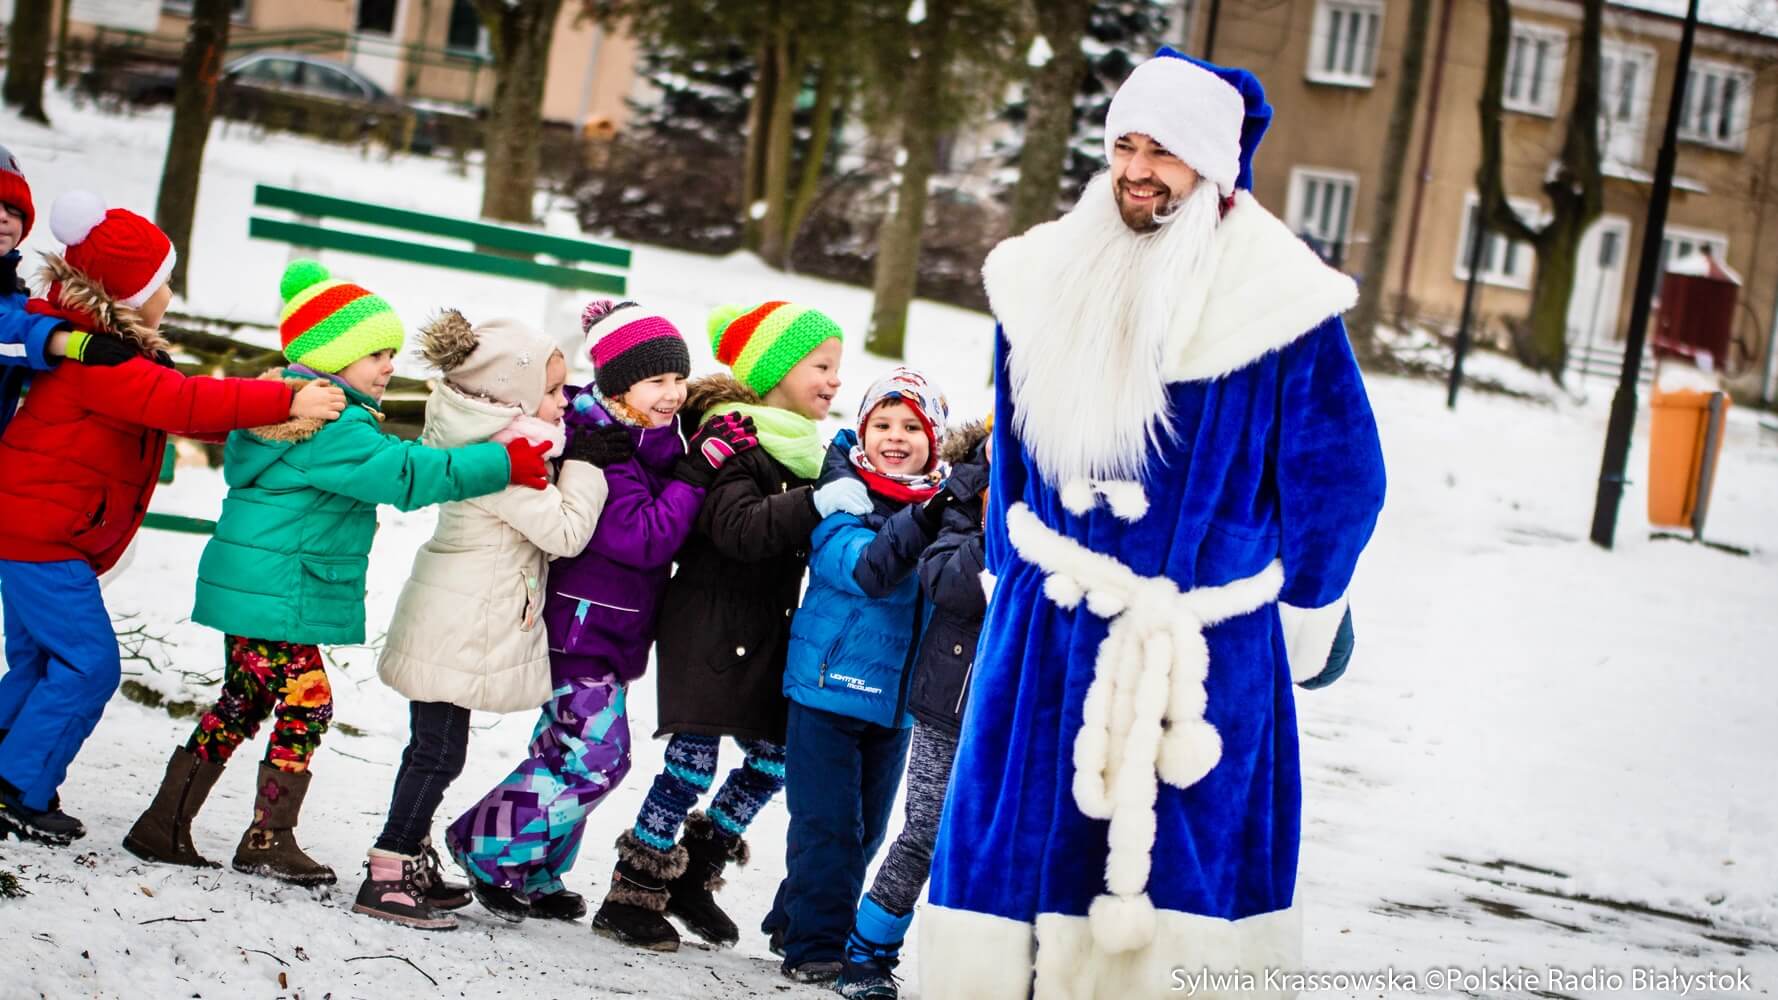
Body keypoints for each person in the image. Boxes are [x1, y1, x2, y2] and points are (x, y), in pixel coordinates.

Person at [921, 49, 1387, 999]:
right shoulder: (1044, 276)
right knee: (1008, 880)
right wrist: (1009, 573)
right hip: (1044, 641)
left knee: (1183, 901)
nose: (1136, 169)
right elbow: (1009, 452)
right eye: (1124, 145)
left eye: (1164, 152)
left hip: (1199, 666)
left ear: (1213, 169)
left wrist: (1306, 610)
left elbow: (1342, 480)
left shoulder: (1282, 306)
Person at [124, 261, 547, 885]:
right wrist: (501, 461)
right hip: (276, 591)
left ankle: (166, 824)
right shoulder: (327, 425)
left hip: (265, 588)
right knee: (308, 703)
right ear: (330, 358)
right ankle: (266, 837)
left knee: (243, 702)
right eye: (377, 353)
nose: (389, 366)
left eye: (393, 353)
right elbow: (406, 475)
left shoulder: (300, 411)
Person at [0, 195, 345, 845]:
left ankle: (8, 769)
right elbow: (181, 403)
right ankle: (20, 788)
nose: (171, 293)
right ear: (129, 294)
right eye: (162, 282)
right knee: (88, 664)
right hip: (41, 535)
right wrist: (287, 396)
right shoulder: (100, 360)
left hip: (35, 529)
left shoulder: (108, 349)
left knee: (45, 661)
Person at [446, 300, 756, 925]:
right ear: (619, 386)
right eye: (657, 382)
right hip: (579, 628)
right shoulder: (603, 446)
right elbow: (644, 534)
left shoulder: (648, 433)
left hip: (614, 628)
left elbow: (670, 465)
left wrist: (708, 448)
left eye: (678, 380)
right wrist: (701, 470)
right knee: (597, 755)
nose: (672, 395)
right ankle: (485, 847)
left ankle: (537, 869)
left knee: (564, 748)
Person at [591, 301, 870, 953]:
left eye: (838, 368)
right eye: (821, 366)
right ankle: (633, 890)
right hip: (709, 625)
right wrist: (815, 501)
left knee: (774, 758)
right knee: (691, 763)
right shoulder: (737, 439)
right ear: (775, 372)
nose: (834, 381)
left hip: (768, 628)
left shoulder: (808, 449)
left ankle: (697, 864)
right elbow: (739, 530)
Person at [355, 309, 609, 929]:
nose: (562, 403)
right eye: (551, 392)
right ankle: (388, 869)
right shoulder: (502, 458)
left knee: (436, 748)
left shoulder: (496, 442)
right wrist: (587, 465)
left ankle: (408, 857)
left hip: (458, 612)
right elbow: (566, 532)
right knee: (437, 755)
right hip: (459, 620)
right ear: (508, 396)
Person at [767, 367, 953, 985]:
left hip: (897, 704)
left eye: (911, 427)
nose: (894, 438)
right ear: (863, 429)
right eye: (882, 425)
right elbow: (863, 568)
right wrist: (927, 518)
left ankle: (795, 917)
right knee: (830, 827)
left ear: (935, 438)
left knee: (868, 830)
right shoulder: (846, 495)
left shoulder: (946, 507)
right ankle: (817, 944)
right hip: (827, 688)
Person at [835, 415, 989, 999]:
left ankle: (984, 969)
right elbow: (947, 582)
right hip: (948, 706)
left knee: (993, 841)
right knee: (924, 832)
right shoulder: (960, 510)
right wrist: (995, 524)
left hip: (1022, 713)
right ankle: (867, 954)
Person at [0, 146, 145, 439]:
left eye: (14, 210)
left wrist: (133, 358)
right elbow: (8, 332)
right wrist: (72, 343)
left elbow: (37, 366)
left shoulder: (15, 299)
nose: (4, 218)